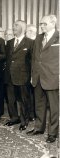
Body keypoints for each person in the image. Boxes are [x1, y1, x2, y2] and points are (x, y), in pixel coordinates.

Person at [27, 15, 59, 143]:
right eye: (41, 24)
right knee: (39, 105)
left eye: (44, 24)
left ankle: (53, 133)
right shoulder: (39, 38)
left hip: (53, 77)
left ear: (53, 23)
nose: (41, 26)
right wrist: (32, 75)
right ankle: (39, 128)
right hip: (38, 77)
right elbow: (35, 58)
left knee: (54, 107)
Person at [4, 20, 33, 131]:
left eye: (16, 26)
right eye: (13, 25)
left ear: (23, 28)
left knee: (23, 100)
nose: (13, 27)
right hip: (9, 76)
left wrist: (31, 76)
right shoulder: (10, 42)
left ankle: (24, 121)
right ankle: (14, 118)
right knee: (11, 99)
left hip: (23, 76)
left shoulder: (30, 42)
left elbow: (31, 61)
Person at [25, 24, 37, 121]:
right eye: (29, 30)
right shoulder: (24, 42)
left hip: (36, 72)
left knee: (35, 94)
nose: (31, 32)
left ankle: (34, 114)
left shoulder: (38, 42)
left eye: (33, 31)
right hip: (25, 72)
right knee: (27, 94)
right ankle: (30, 114)